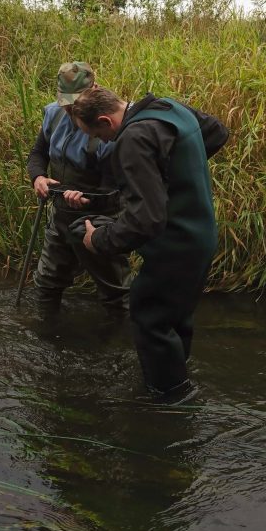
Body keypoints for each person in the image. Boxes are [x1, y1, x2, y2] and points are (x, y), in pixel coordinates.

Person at [70, 88, 229, 403]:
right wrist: (176, 172)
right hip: (201, 235)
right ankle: (178, 377)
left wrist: (98, 240)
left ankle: (169, 400)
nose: (102, 142)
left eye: (97, 134)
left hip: (174, 245)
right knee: (176, 316)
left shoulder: (132, 140)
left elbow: (147, 221)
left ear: (105, 119)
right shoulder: (169, 107)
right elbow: (216, 132)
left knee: (150, 317)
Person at [26, 62, 132, 311]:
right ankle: (48, 340)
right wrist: (38, 177)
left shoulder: (110, 126)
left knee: (115, 292)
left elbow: (114, 186)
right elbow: (37, 153)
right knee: (46, 284)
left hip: (99, 219)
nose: (70, 108)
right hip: (61, 214)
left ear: (94, 88)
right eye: (66, 102)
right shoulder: (53, 114)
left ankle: (116, 345)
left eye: (76, 101)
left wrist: (87, 199)